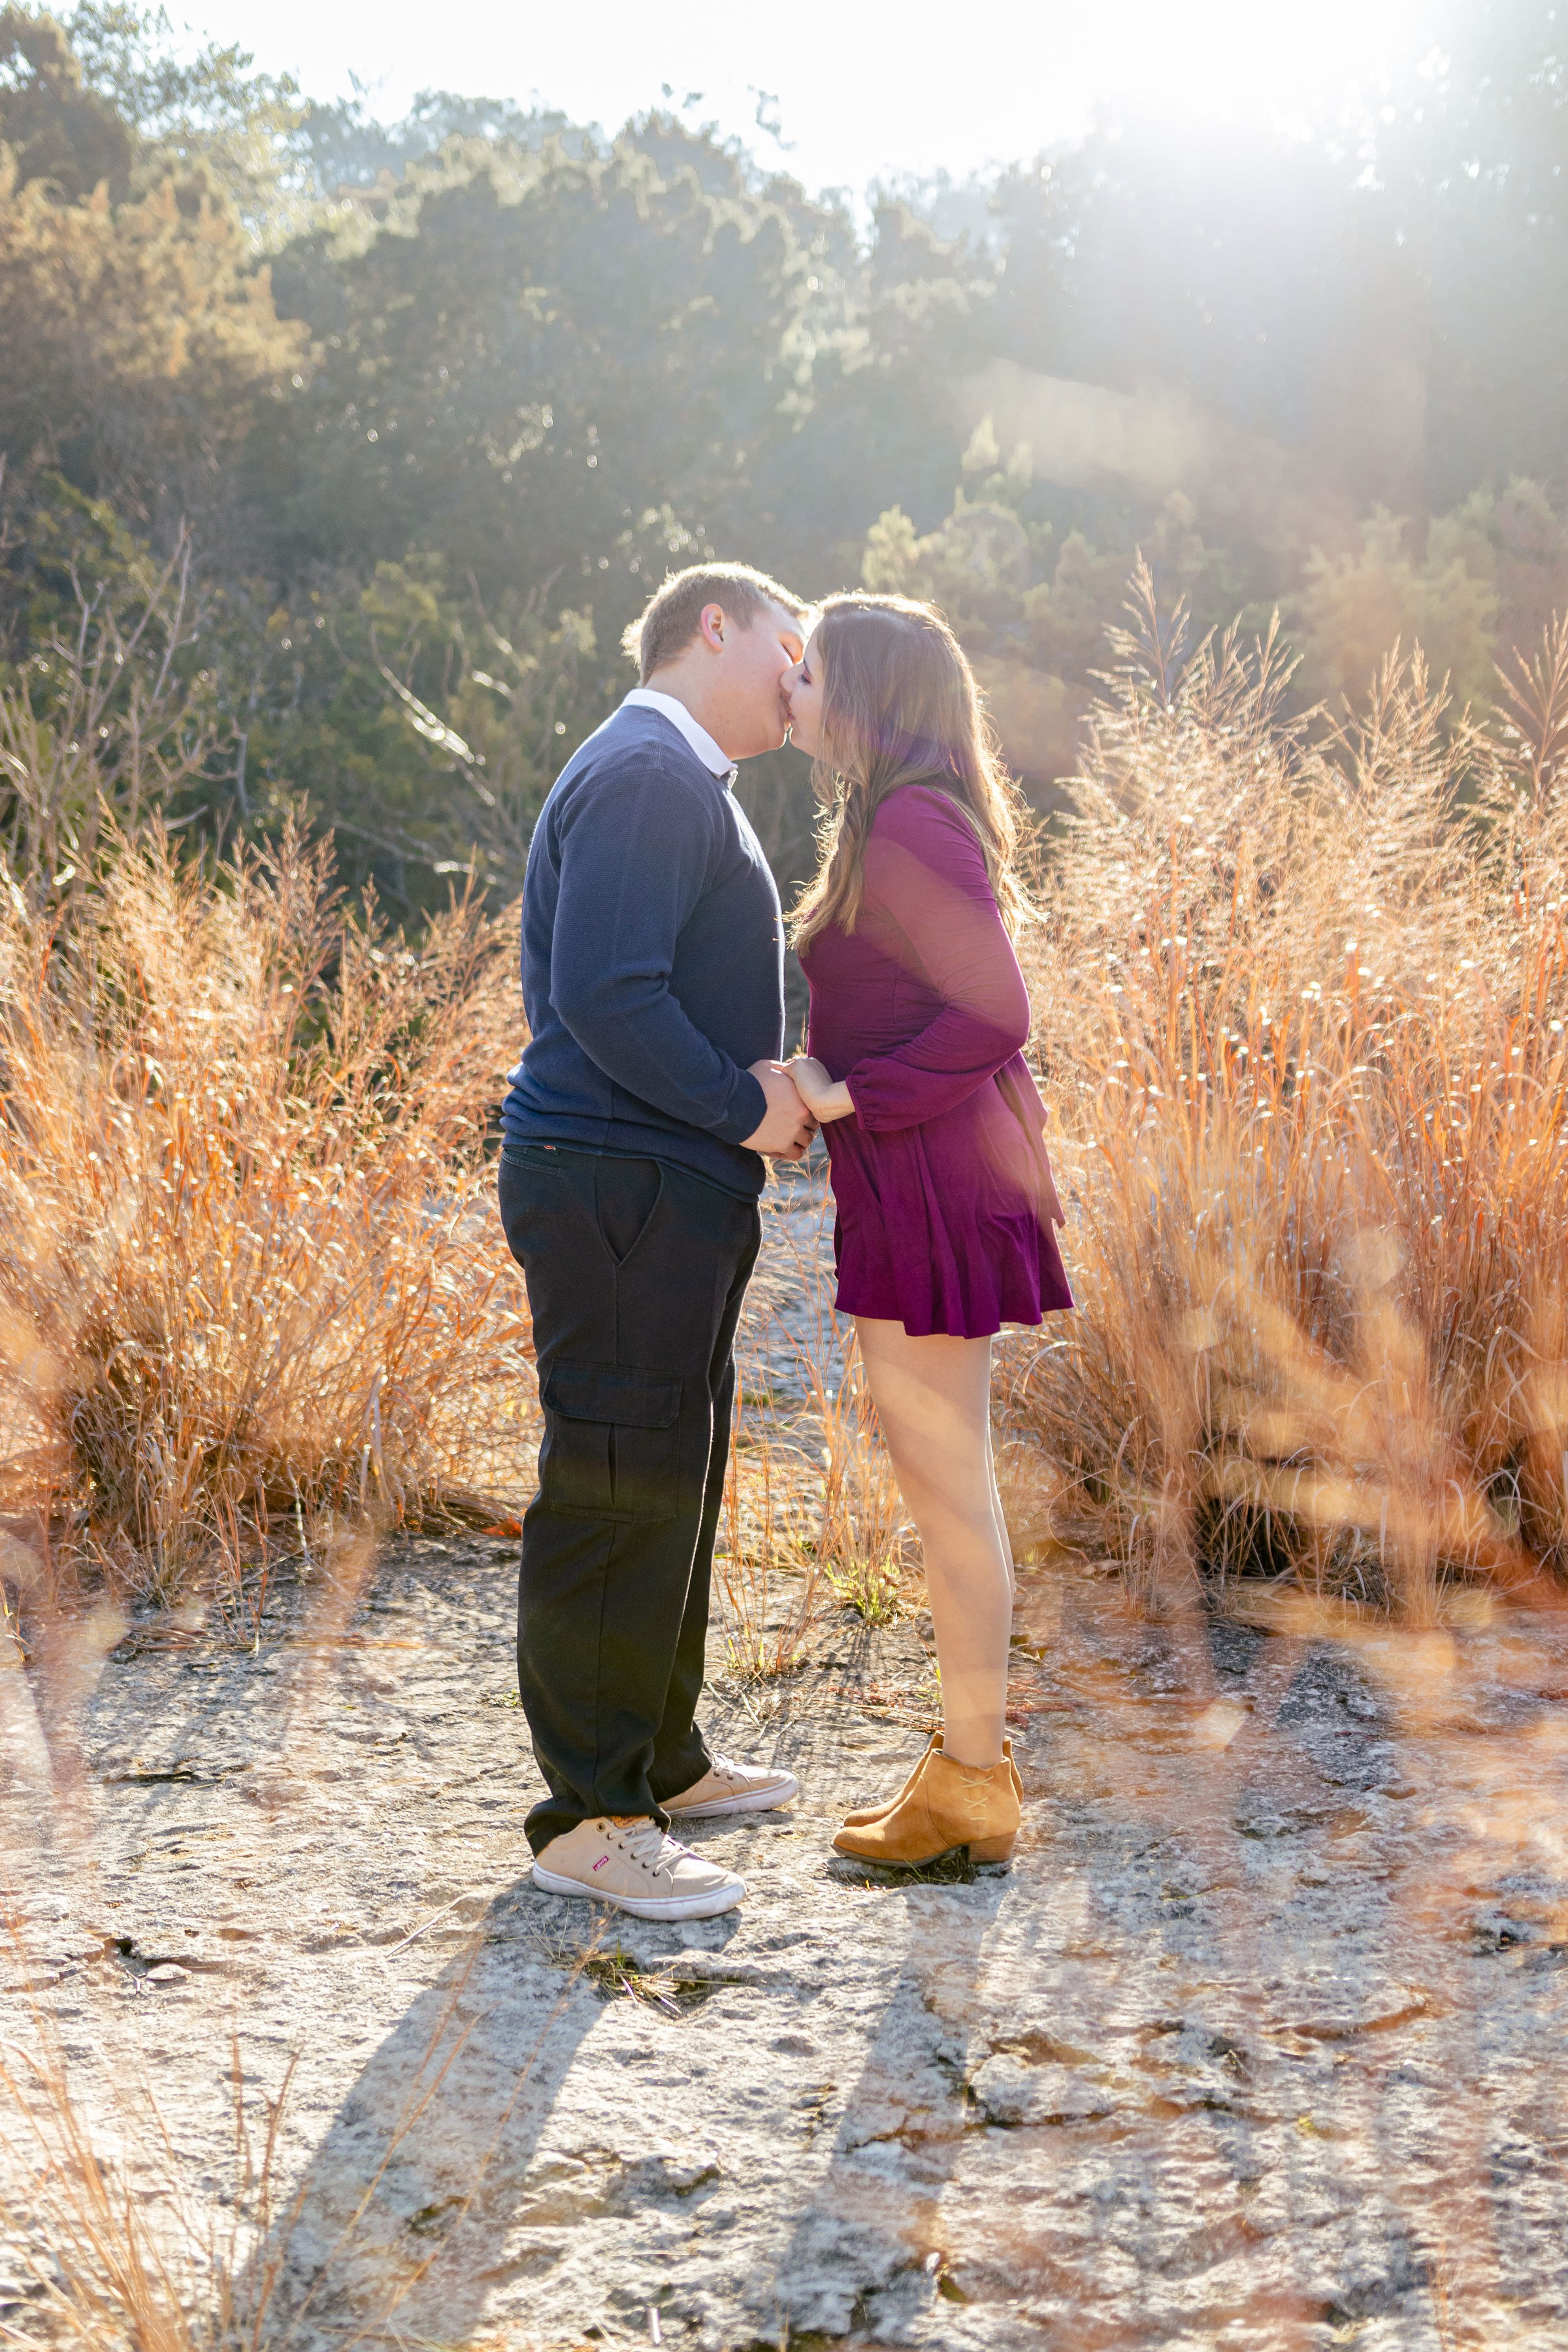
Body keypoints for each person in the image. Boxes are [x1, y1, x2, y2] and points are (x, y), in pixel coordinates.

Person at [498, 562, 816, 1922]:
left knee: (666, 1467)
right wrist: (748, 1103)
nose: (801, 691)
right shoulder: (645, 771)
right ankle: (591, 1816)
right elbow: (607, 994)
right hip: (616, 1178)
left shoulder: (685, 780)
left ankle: (660, 1764)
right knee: (614, 1477)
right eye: (788, 656)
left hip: (658, 1184)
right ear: (713, 625)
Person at [783, 592, 1072, 1870]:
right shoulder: (895, 815)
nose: (793, 691)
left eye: (812, 672)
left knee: (949, 1490)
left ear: (868, 692)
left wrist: (851, 1095)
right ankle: (969, 1774)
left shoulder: (908, 819)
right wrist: (818, 1074)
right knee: (944, 1483)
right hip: (915, 1179)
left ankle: (972, 1780)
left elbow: (996, 1011)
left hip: (934, 1183)